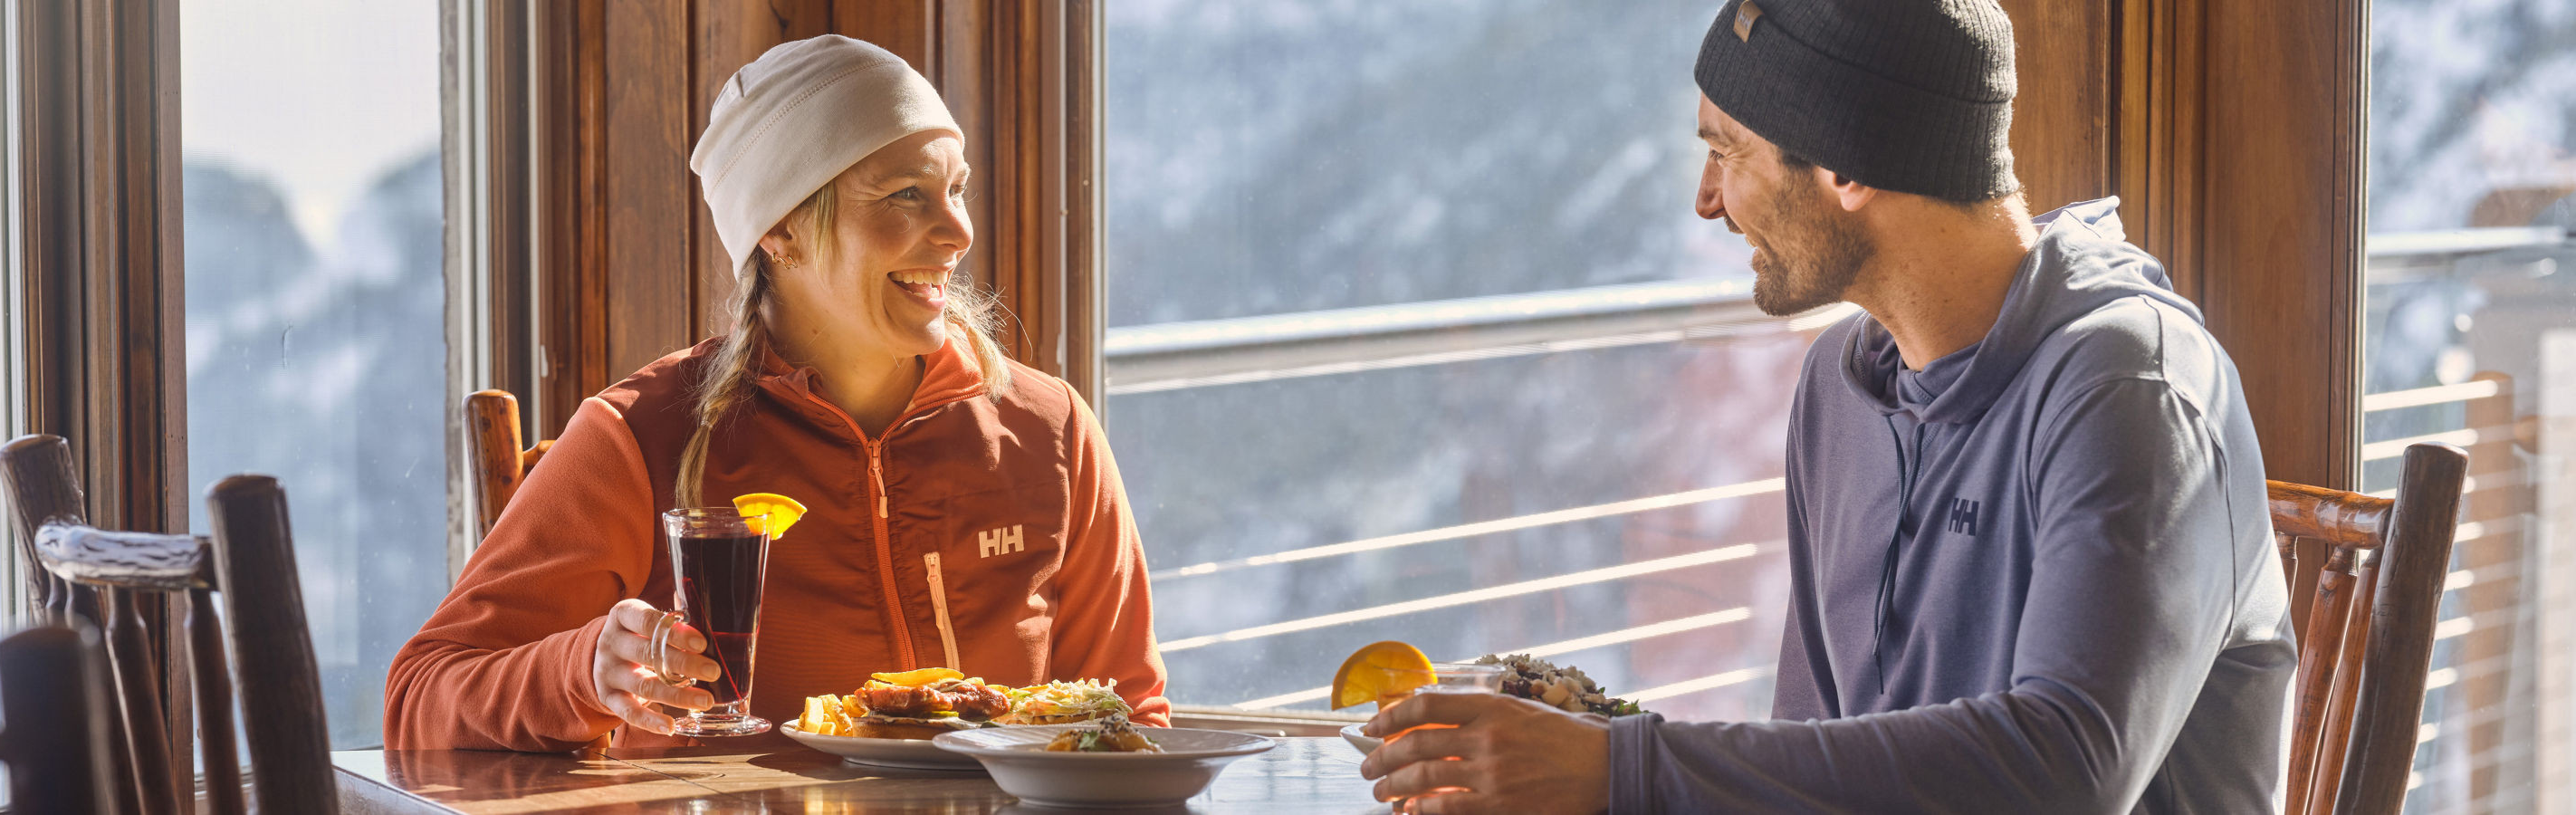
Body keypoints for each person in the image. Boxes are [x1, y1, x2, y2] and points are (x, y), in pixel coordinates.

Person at [1358, 1, 2293, 811]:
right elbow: (1808, 741)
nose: (1707, 199)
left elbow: (2065, 772)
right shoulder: (1841, 385)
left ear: (1849, 167)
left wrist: (1622, 771)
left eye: (1729, 150)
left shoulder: (2131, 391)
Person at [385, 35, 1168, 751]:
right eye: (904, 194)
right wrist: (583, 670)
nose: (958, 231)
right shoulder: (638, 437)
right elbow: (419, 695)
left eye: (955, 189)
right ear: (781, 230)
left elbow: (1128, 717)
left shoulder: (1051, 431)